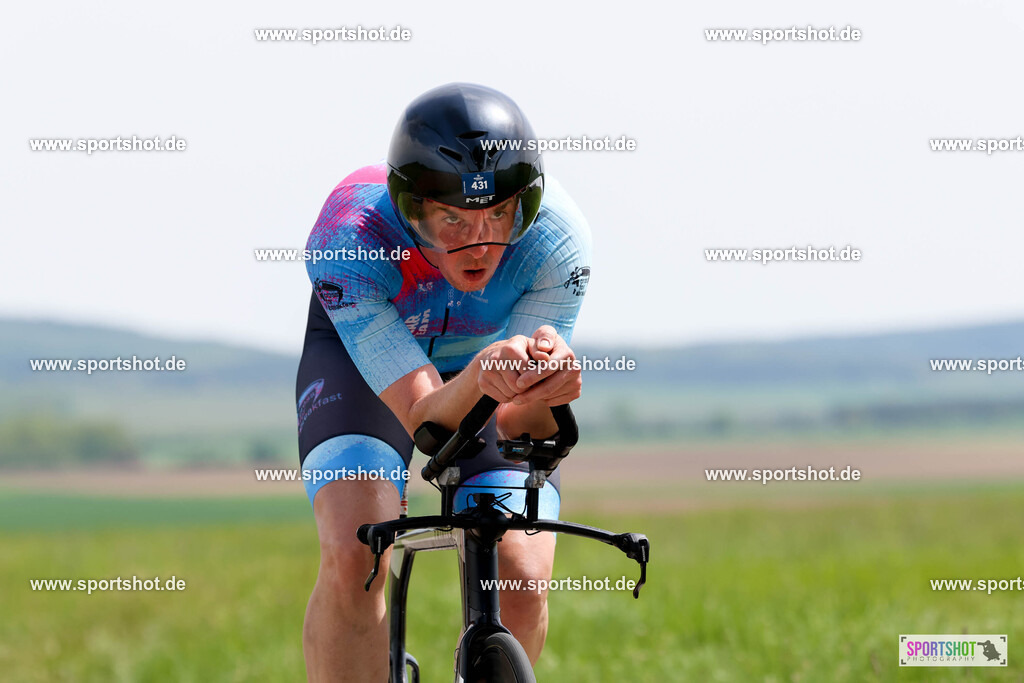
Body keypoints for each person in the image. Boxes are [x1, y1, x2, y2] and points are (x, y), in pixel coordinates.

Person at [295, 82, 592, 682]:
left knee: (523, 574)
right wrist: (483, 374)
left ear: (523, 207)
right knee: (360, 551)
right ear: (413, 211)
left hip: (490, 371)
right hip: (371, 373)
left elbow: (516, 432)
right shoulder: (350, 241)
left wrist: (548, 391)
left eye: (496, 215)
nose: (478, 242)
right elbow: (429, 424)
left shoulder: (556, 244)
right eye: (452, 218)